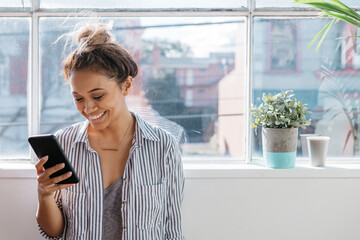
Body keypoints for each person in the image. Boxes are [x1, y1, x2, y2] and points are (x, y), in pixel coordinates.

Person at [34, 22, 185, 240]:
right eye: (78, 98)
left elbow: (172, 229)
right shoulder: (64, 144)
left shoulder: (163, 146)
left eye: (98, 96)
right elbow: (54, 233)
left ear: (126, 86)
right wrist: (45, 195)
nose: (88, 108)